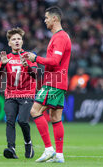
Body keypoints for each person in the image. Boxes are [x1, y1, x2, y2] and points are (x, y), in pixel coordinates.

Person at [26, 6, 72, 163]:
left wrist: (35, 58)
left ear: (55, 18)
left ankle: (48, 149)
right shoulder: (59, 37)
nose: (44, 20)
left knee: (35, 110)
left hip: (54, 82)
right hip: (59, 82)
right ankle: (59, 155)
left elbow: (55, 61)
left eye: (46, 18)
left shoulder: (60, 37)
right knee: (55, 116)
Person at [0, 27, 37, 159]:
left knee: (23, 121)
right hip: (11, 94)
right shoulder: (6, 58)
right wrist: (2, 65)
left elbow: (35, 75)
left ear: (22, 41)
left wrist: (27, 66)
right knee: (10, 121)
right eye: (13, 39)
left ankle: (28, 144)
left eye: (19, 38)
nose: (17, 41)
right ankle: (11, 149)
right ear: (9, 43)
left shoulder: (29, 56)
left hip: (27, 93)